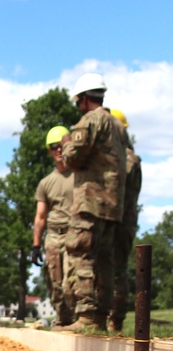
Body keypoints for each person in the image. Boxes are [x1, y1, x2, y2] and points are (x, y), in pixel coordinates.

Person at [57, 73, 126, 333]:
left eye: (77, 102)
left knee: (80, 253)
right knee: (105, 260)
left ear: (84, 99)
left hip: (91, 201)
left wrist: (66, 145)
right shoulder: (117, 126)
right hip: (113, 204)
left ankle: (86, 317)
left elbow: (73, 157)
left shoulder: (91, 120)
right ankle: (100, 317)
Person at [32, 126, 75, 326]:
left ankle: (78, 319)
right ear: (49, 150)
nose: (58, 150)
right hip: (53, 237)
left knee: (71, 282)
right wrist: (35, 245)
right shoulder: (46, 183)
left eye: (62, 145)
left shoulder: (81, 175)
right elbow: (40, 216)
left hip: (75, 234)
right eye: (53, 146)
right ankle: (63, 319)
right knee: (56, 284)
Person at [108, 108, 142, 335]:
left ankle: (116, 322)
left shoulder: (127, 158)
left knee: (117, 270)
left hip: (120, 222)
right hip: (120, 220)